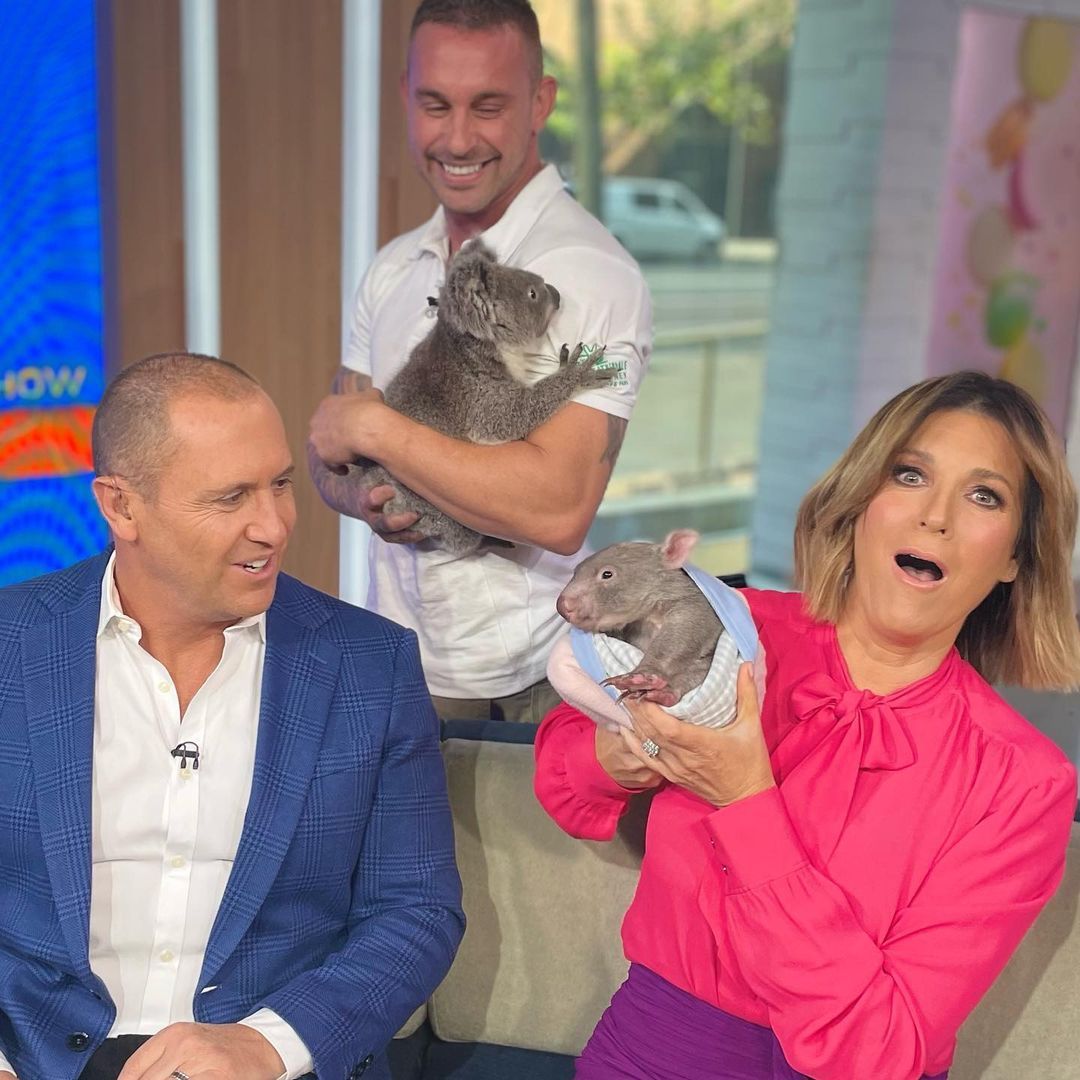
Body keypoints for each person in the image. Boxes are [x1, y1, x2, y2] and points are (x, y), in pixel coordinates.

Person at [534, 370, 1080, 1080]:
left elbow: (881, 1050)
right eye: (910, 475)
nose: (936, 516)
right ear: (860, 501)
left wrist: (744, 800)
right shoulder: (735, 628)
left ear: (1014, 556)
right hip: (650, 1055)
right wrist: (626, 753)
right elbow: (565, 769)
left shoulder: (1025, 781)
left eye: (984, 496)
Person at [0, 353, 464, 1080]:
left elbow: (416, 911)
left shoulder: (369, 664)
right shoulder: (10, 644)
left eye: (279, 484)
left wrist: (270, 1043)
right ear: (121, 507)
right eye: (230, 498)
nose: (273, 526)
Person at [308, 0, 652, 725]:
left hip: (527, 684)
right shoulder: (394, 267)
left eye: (487, 107)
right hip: (398, 665)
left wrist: (377, 432)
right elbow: (329, 451)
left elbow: (558, 509)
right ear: (406, 97)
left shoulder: (590, 274)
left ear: (540, 102)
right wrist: (364, 498)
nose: (458, 138)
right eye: (436, 104)